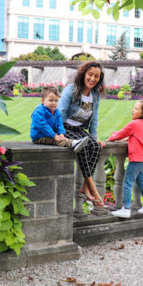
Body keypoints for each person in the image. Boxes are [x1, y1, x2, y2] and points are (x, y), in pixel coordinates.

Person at [58, 61, 107, 206]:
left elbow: (95, 117)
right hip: (65, 127)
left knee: (96, 146)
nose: (92, 79)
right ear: (83, 74)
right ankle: (92, 188)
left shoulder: (95, 95)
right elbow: (60, 111)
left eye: (96, 76)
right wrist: (60, 133)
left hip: (79, 129)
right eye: (90, 74)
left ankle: (85, 188)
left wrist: (94, 137)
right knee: (84, 147)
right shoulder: (71, 89)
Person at [108, 101, 143, 218]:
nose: (132, 110)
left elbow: (120, 134)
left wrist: (111, 137)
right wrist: (128, 139)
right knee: (140, 181)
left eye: (136, 109)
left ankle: (126, 208)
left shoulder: (135, 124)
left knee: (127, 183)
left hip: (137, 160)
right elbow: (136, 138)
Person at [30, 86, 88, 152]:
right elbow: (43, 126)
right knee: (56, 140)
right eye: (51, 100)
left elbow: (60, 124)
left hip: (51, 134)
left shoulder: (56, 111)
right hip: (39, 137)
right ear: (43, 101)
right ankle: (72, 143)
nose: (54, 103)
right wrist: (54, 135)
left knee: (60, 138)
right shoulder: (39, 112)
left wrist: (61, 133)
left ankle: (73, 143)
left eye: (56, 101)